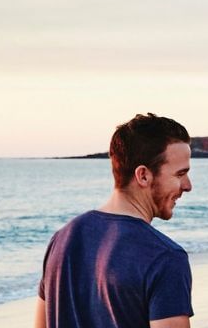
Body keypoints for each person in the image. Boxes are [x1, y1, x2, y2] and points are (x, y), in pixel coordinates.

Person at [37, 113, 196, 328]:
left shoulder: (62, 239)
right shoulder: (164, 258)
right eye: (180, 174)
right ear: (143, 176)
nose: (188, 185)